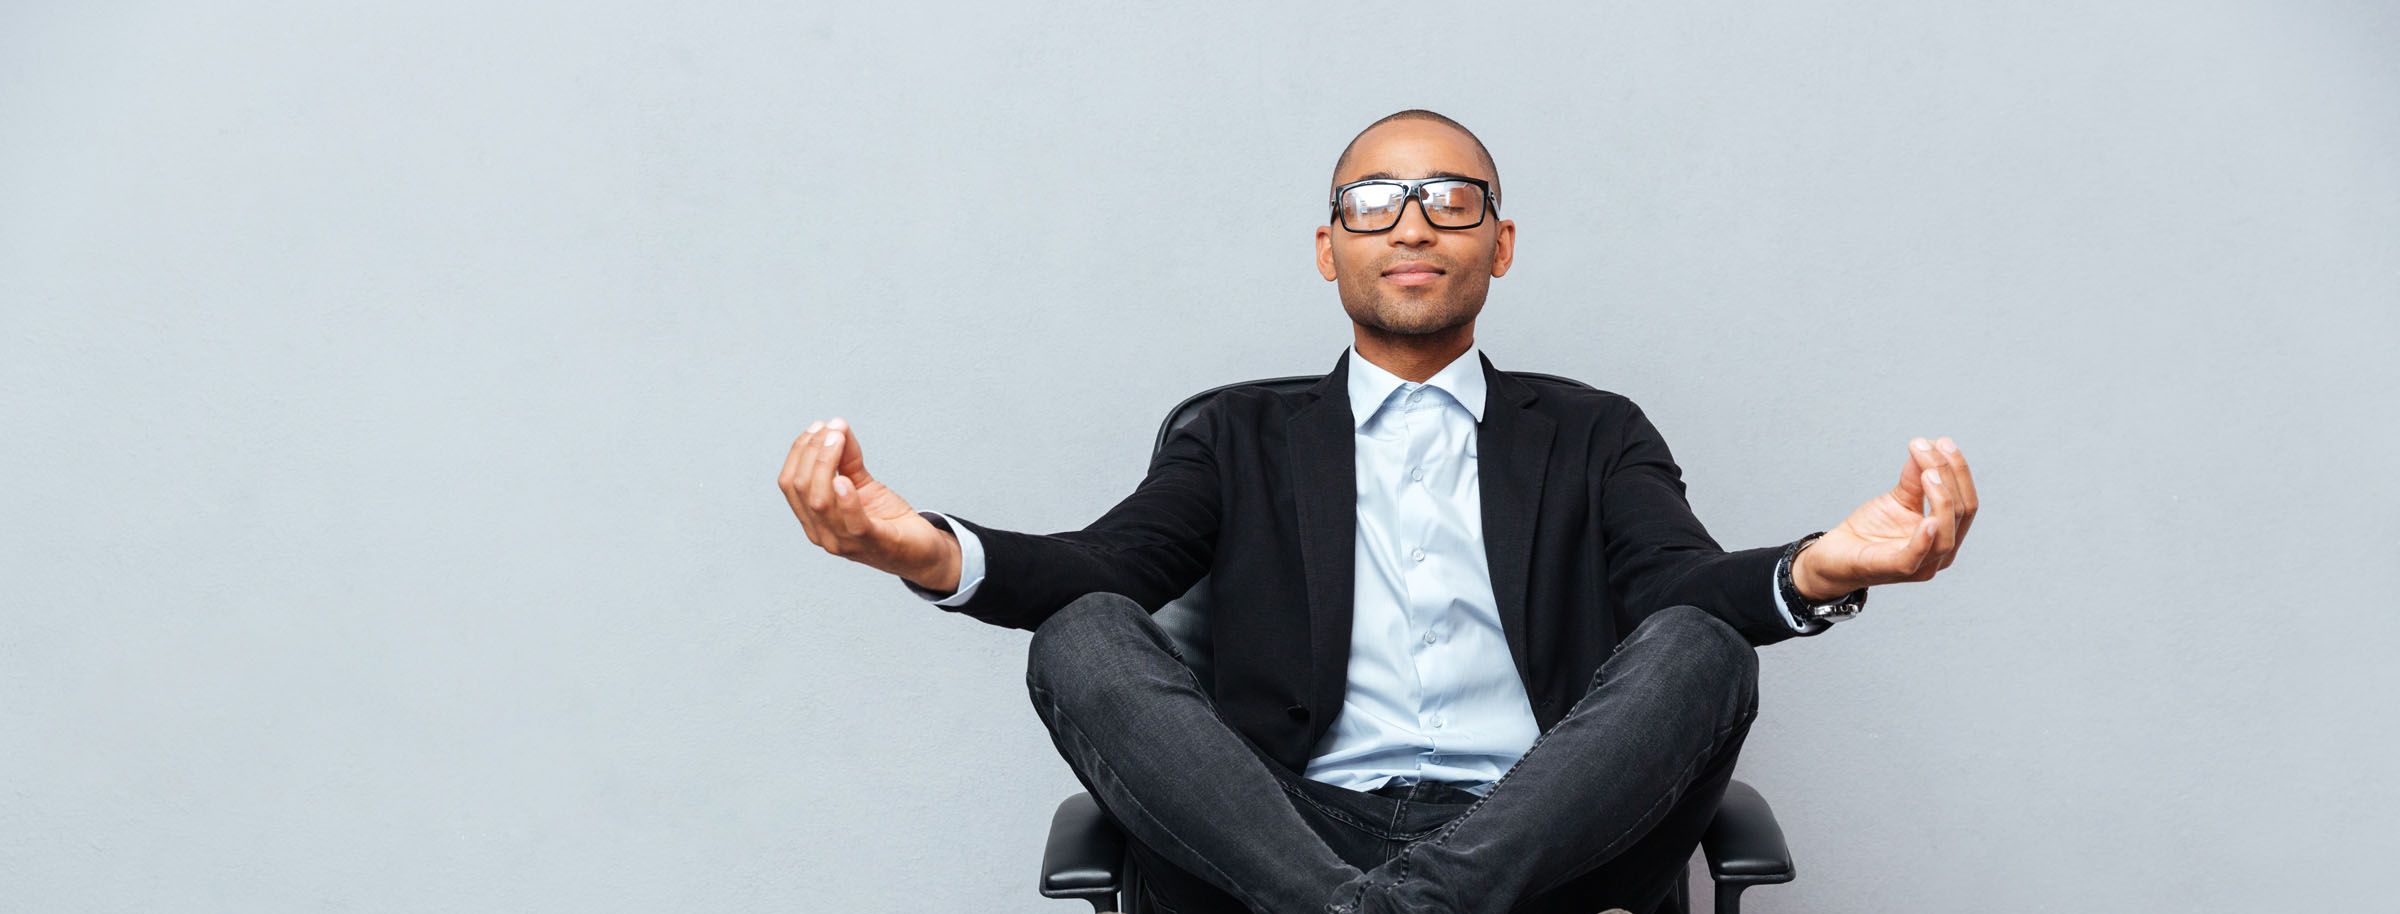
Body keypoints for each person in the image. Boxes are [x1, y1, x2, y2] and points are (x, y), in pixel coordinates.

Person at [777, 109, 1979, 914]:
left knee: (1702, 647)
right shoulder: (1236, 433)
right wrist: (922, 549)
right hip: (1282, 831)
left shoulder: (1594, 428)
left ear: (1499, 245)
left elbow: (1678, 589)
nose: (1412, 222)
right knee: (1083, 632)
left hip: (1536, 836)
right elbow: (1102, 566)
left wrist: (1821, 566)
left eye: (1451, 199)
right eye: (1375, 201)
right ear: (1327, 248)